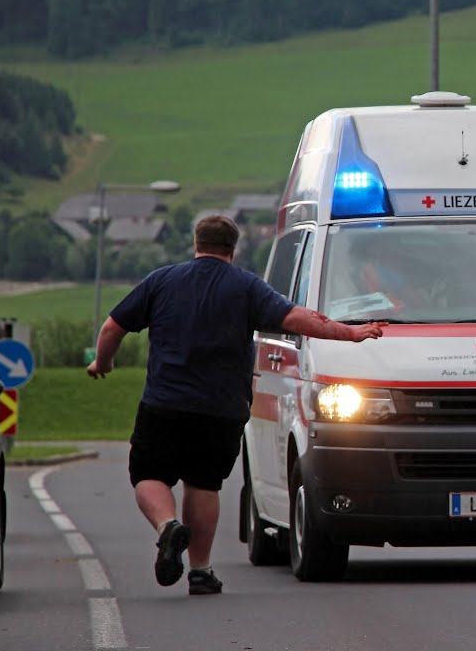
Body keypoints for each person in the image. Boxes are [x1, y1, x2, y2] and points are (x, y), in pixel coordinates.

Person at [86, 215, 386, 595]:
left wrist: (103, 362)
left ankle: (167, 526)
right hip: (222, 408)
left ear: (196, 242)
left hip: (165, 402)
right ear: (233, 248)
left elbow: (113, 327)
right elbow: (300, 319)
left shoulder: (161, 281)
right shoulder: (247, 287)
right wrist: (352, 333)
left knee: (149, 475)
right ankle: (200, 571)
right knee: (204, 484)